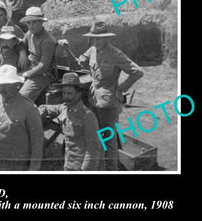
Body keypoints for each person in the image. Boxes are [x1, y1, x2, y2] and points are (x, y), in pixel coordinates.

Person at [60, 20, 144, 171]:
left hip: (108, 105)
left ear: (106, 38)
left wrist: (121, 89)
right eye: (93, 38)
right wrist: (67, 49)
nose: (96, 41)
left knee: (108, 140)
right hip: (93, 101)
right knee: (95, 139)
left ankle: (112, 169)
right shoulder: (92, 50)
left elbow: (137, 71)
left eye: (99, 38)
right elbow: (78, 64)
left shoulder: (115, 54)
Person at [0, 65, 43, 171]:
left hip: (15, 166)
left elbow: (37, 141)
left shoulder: (29, 107)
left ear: (17, 85)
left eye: (7, 85)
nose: (3, 88)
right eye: (1, 84)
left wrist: (34, 168)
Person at [38, 72, 104, 171]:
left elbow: (93, 150)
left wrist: (84, 170)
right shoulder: (64, 108)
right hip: (68, 164)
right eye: (64, 93)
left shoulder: (87, 116)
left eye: (69, 93)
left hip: (81, 167)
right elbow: (45, 108)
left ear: (78, 94)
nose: (66, 97)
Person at [19, 7, 57, 105]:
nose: (31, 26)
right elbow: (21, 45)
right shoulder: (30, 34)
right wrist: (22, 53)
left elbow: (43, 66)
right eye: (28, 23)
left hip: (43, 75)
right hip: (29, 69)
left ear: (41, 22)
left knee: (21, 98)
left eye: (34, 22)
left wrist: (26, 74)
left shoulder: (47, 40)